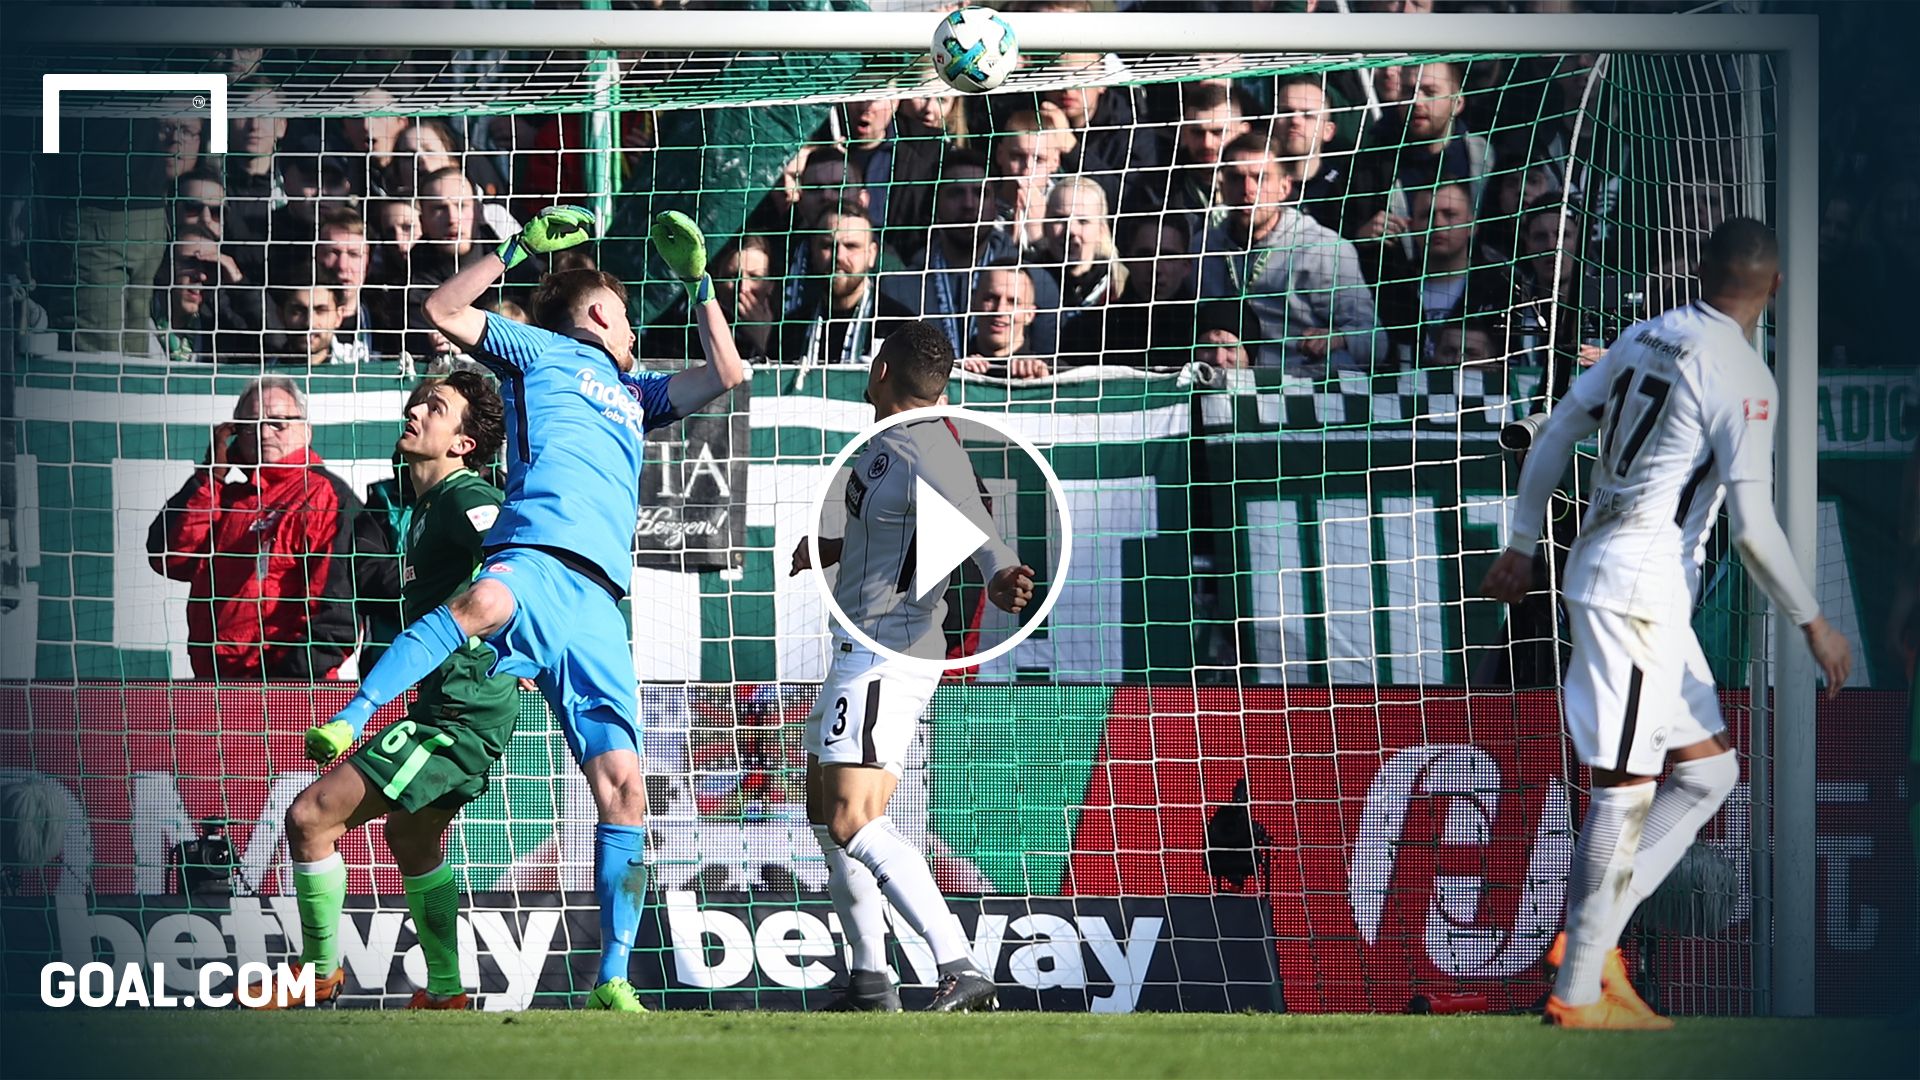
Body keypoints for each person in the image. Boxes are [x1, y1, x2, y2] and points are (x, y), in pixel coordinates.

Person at [306, 206, 746, 1012]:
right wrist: (510, 250)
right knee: (480, 601)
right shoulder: (538, 352)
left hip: (600, 606)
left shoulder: (637, 393)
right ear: (605, 314)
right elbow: (441, 312)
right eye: (622, 315)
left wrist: (701, 283)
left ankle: (612, 978)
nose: (631, 331)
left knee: (624, 788)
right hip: (534, 562)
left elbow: (729, 376)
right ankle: (354, 714)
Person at [1479, 217, 1853, 1030]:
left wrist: (1521, 541)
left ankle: (1590, 937)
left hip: (1627, 578)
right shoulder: (1744, 376)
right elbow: (1751, 530)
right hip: (1638, 589)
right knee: (1626, 787)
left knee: (1709, 774)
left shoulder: (1646, 334)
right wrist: (1814, 621)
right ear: (1777, 287)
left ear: (1699, 268)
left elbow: (1558, 432)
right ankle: (1580, 989)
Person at [786, 320, 1035, 1012]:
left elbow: (976, 520)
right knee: (823, 810)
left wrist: (1000, 573)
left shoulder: (928, 444)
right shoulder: (888, 444)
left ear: (880, 370)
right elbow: (901, 530)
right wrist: (833, 547)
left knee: (851, 818)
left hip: (886, 653)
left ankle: (958, 961)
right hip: (861, 646)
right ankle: (870, 978)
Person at [255, 369, 511, 1010]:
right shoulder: (420, 504)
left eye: (438, 407)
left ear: (463, 444)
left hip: (459, 714)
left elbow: (513, 546)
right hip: (451, 705)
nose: (417, 409)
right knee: (413, 839)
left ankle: (317, 973)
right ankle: (447, 992)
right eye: (420, 399)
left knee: (310, 817)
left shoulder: (464, 497)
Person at [146, 376, 360, 680]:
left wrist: (287, 685)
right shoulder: (225, 499)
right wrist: (209, 477)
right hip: (215, 684)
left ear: (306, 430)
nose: (263, 433)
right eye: (249, 425)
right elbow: (169, 558)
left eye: (278, 422)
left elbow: (337, 615)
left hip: (286, 688)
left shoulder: (324, 497)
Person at [1199, 134, 1385, 376]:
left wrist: (1339, 339)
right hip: (1219, 385)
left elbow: (1375, 340)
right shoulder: (1203, 246)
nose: (1248, 190)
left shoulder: (1323, 249)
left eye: (1261, 178)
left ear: (1284, 187)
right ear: (1221, 185)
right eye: (1236, 178)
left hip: (1299, 392)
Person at [779, 209, 912, 367]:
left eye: (851, 246)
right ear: (812, 250)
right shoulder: (789, 330)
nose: (839, 256)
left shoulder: (900, 328)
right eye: (828, 245)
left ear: (872, 254)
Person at [962, 263, 1049, 380]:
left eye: (1013, 302)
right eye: (991, 298)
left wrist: (1042, 389)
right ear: (973, 303)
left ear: (1030, 315)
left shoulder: (1053, 373)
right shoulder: (948, 370)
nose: (1000, 310)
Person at [169, 818, 234, 897]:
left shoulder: (226, 847)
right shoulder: (193, 848)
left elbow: (235, 864)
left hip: (224, 886)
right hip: (197, 888)